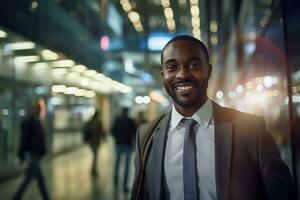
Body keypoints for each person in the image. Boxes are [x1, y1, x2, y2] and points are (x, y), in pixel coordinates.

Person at [131, 35, 295, 200]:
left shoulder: (251, 130)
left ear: (208, 71)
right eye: (172, 67)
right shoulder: (146, 136)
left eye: (193, 65)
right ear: (163, 75)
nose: (182, 75)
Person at [13, 103, 50, 200]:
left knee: (29, 179)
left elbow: (40, 139)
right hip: (32, 154)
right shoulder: (29, 123)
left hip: (35, 155)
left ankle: (16, 197)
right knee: (39, 179)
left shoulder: (37, 122)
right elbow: (24, 140)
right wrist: (21, 154)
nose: (35, 111)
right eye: (33, 109)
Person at [112, 107, 136, 193]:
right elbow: (134, 133)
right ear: (127, 112)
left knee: (117, 163)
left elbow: (113, 131)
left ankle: (115, 180)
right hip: (127, 144)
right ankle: (125, 185)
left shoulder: (117, 120)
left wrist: (118, 138)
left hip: (119, 144)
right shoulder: (130, 121)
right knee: (127, 165)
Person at [83, 110, 106, 177]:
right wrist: (104, 138)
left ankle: (93, 170)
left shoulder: (89, 122)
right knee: (95, 156)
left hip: (90, 141)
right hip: (96, 141)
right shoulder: (98, 123)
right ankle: (93, 170)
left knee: (94, 155)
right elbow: (101, 132)